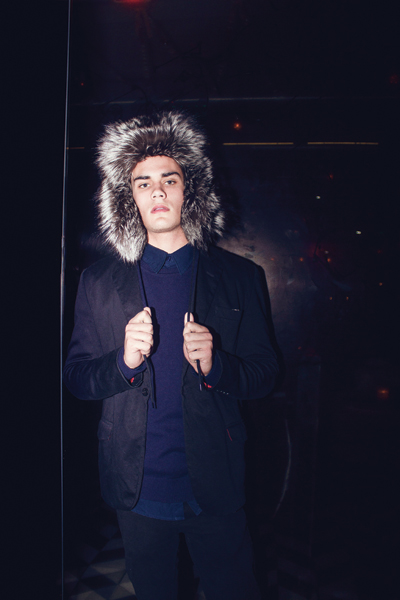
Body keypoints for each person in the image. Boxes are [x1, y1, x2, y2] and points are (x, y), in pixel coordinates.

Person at [63, 110, 279, 600]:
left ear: (191, 190)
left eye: (170, 179)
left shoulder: (241, 277)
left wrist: (218, 365)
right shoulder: (97, 281)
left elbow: (266, 374)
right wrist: (122, 362)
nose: (157, 192)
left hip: (216, 479)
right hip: (137, 486)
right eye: (143, 183)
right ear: (128, 198)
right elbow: (76, 378)